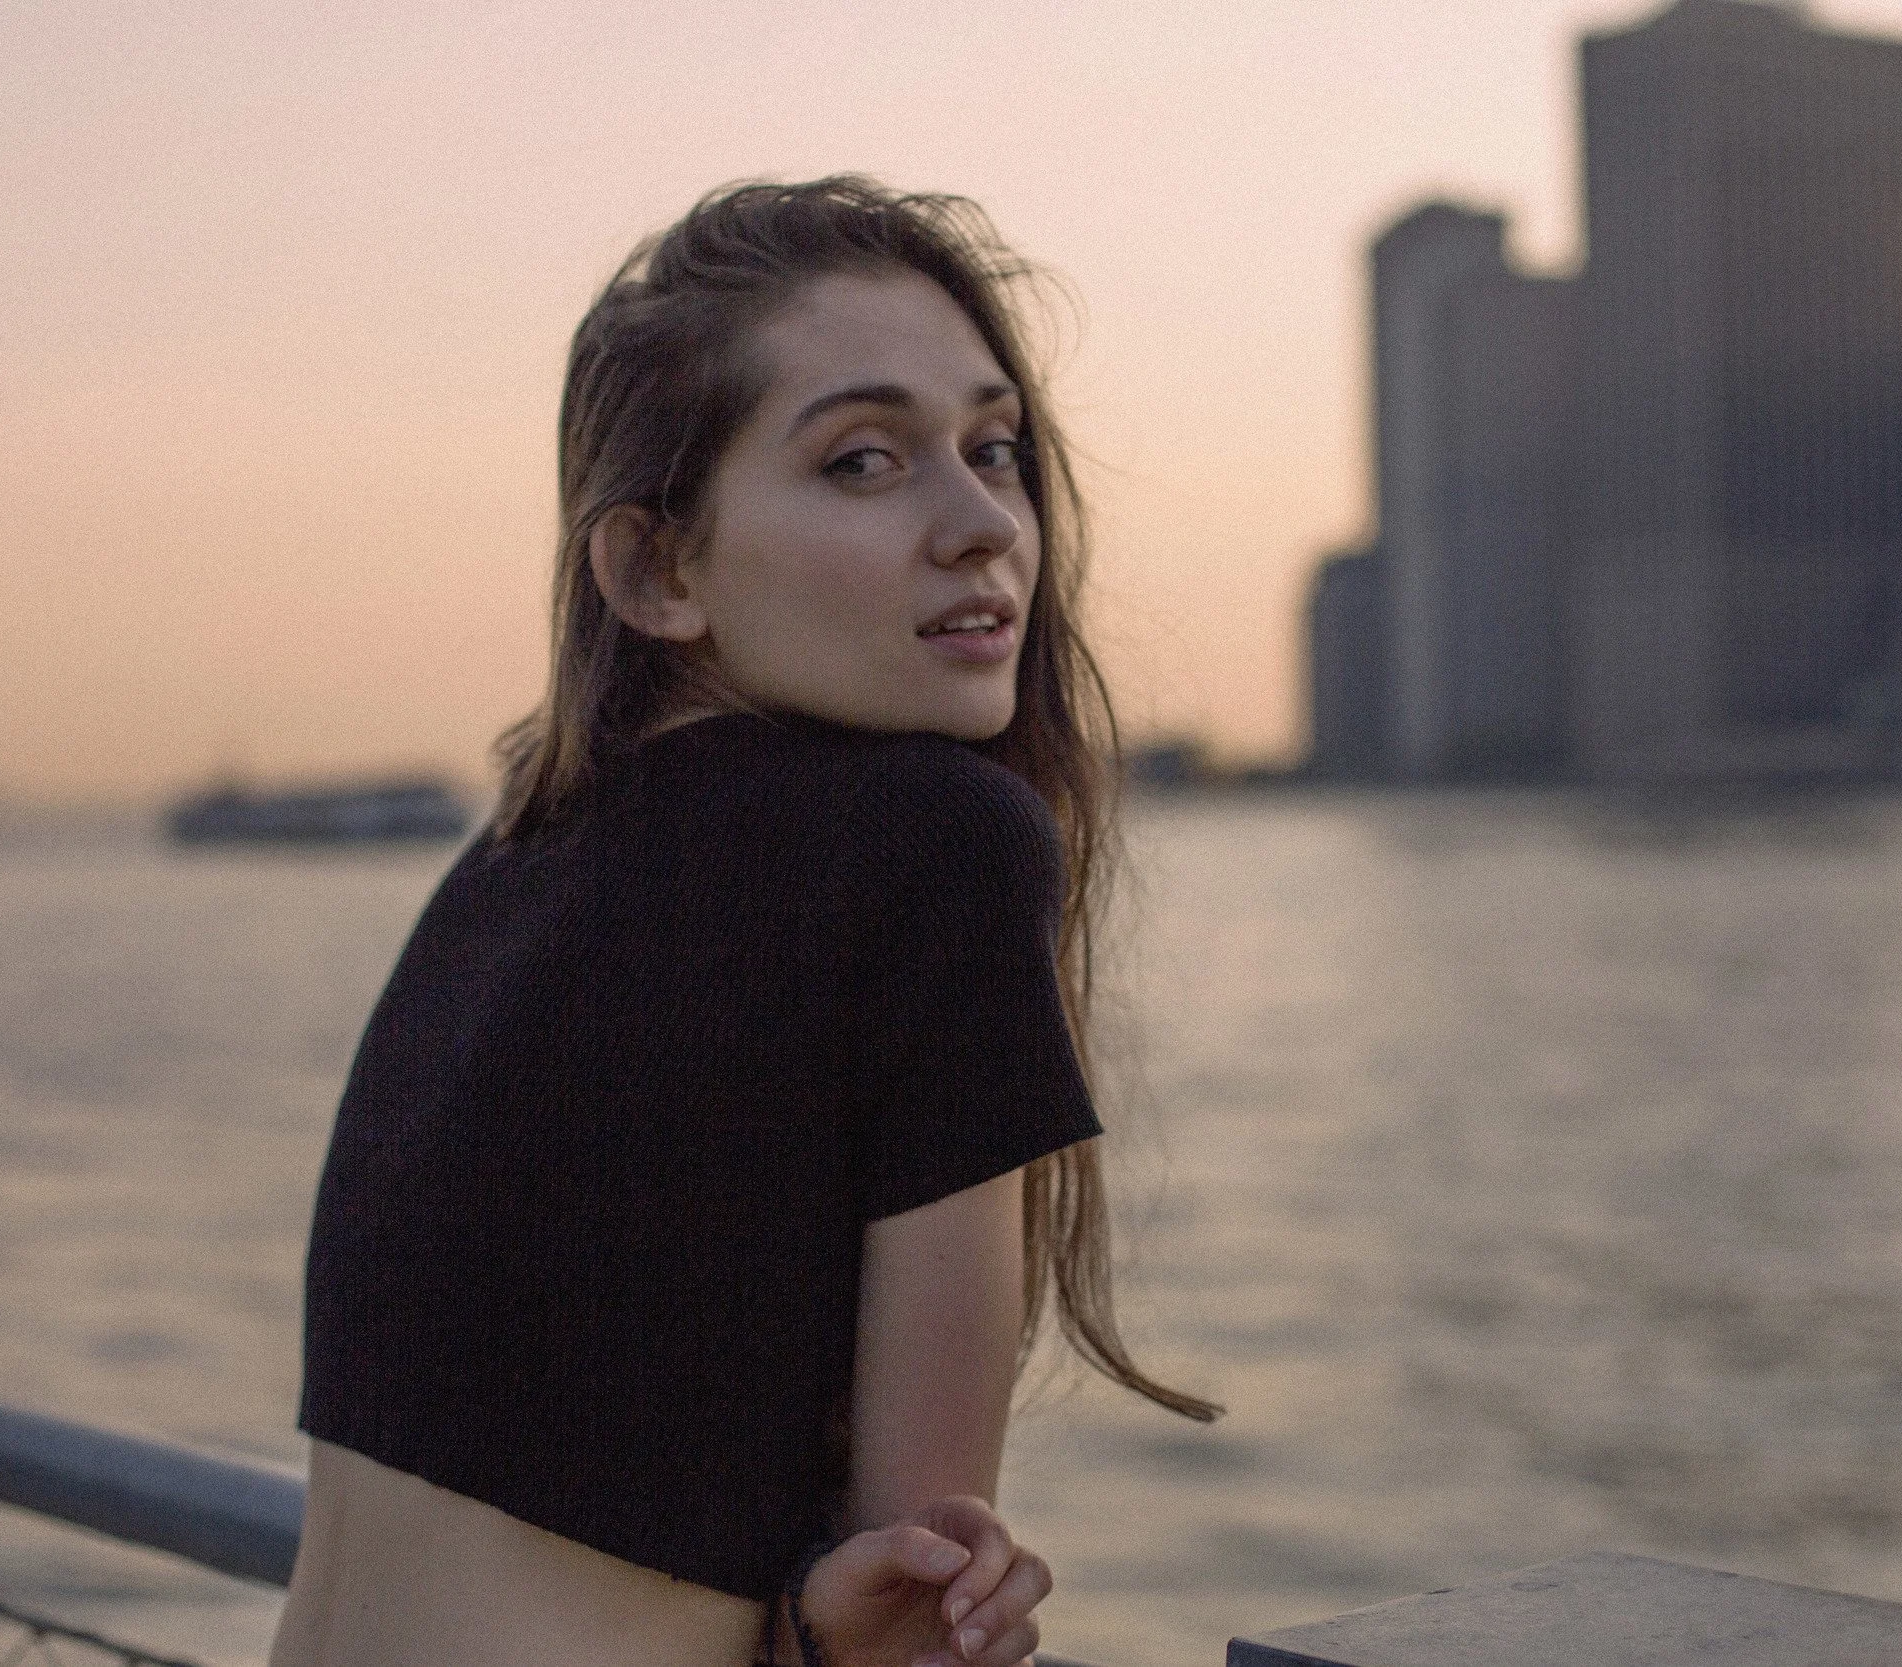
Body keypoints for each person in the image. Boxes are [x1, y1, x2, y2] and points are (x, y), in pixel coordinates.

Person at [270, 176, 1218, 1667]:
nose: (983, 526)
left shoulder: (508, 868)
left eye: (994, 450)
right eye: (862, 461)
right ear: (658, 569)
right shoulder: (940, 844)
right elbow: (919, 1593)